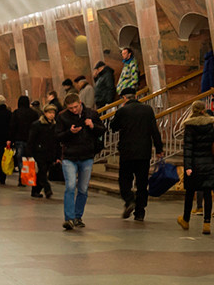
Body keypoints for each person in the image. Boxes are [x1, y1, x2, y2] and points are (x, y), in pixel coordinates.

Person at [108, 86, 163, 221]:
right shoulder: (148, 110)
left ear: (124, 98)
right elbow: (154, 131)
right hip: (144, 152)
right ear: (136, 97)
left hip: (127, 152)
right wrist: (159, 149)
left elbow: (113, 127)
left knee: (125, 179)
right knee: (142, 182)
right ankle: (140, 212)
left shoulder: (123, 110)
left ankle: (129, 200)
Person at [55, 92, 105, 230]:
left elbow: (102, 130)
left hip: (87, 156)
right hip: (69, 157)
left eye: (76, 107)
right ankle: (69, 218)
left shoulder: (91, 114)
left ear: (80, 102)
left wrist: (92, 126)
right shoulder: (62, 116)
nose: (74, 110)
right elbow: (58, 136)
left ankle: (78, 216)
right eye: (70, 108)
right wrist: (70, 132)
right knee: (70, 186)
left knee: (83, 189)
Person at [177, 100, 214, 235]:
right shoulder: (211, 125)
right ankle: (207, 223)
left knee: (189, 193)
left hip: (194, 164)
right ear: (203, 110)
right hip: (209, 163)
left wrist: (187, 166)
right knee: (207, 193)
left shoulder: (190, 126)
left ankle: (186, 219)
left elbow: (188, 148)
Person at [27, 103, 60, 199]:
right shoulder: (37, 125)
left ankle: (35, 191)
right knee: (42, 171)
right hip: (39, 152)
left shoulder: (55, 126)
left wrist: (58, 156)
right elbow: (31, 140)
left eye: (53, 113)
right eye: (49, 113)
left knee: (42, 173)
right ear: (45, 113)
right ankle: (47, 189)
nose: (51, 115)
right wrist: (29, 153)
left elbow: (57, 142)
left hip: (50, 153)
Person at [10, 95, 36, 181]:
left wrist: (11, 139)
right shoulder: (34, 113)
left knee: (20, 158)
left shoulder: (16, 113)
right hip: (30, 140)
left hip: (19, 139)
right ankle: (27, 177)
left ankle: (21, 176)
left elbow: (12, 127)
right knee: (28, 158)